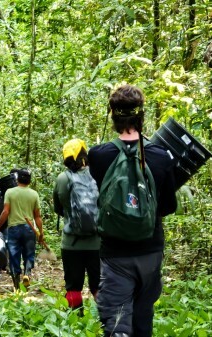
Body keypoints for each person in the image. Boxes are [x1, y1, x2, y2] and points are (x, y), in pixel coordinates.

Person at [88, 84, 177, 337]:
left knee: (117, 325)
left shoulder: (98, 155)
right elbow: (169, 206)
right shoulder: (160, 156)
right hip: (150, 252)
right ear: (141, 116)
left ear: (112, 116)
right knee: (142, 322)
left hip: (115, 255)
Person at [53, 138, 100, 314]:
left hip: (71, 243)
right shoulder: (97, 175)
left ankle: (76, 319)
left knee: (73, 286)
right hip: (97, 242)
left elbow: (59, 208)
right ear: (84, 155)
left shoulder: (62, 178)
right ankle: (106, 319)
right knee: (99, 284)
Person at [0, 168, 43, 290]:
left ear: (17, 179)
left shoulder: (10, 192)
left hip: (14, 229)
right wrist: (41, 233)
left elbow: (5, 212)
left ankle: (16, 285)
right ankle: (27, 273)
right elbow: (37, 217)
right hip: (29, 229)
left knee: (14, 256)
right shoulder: (34, 194)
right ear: (29, 181)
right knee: (29, 254)